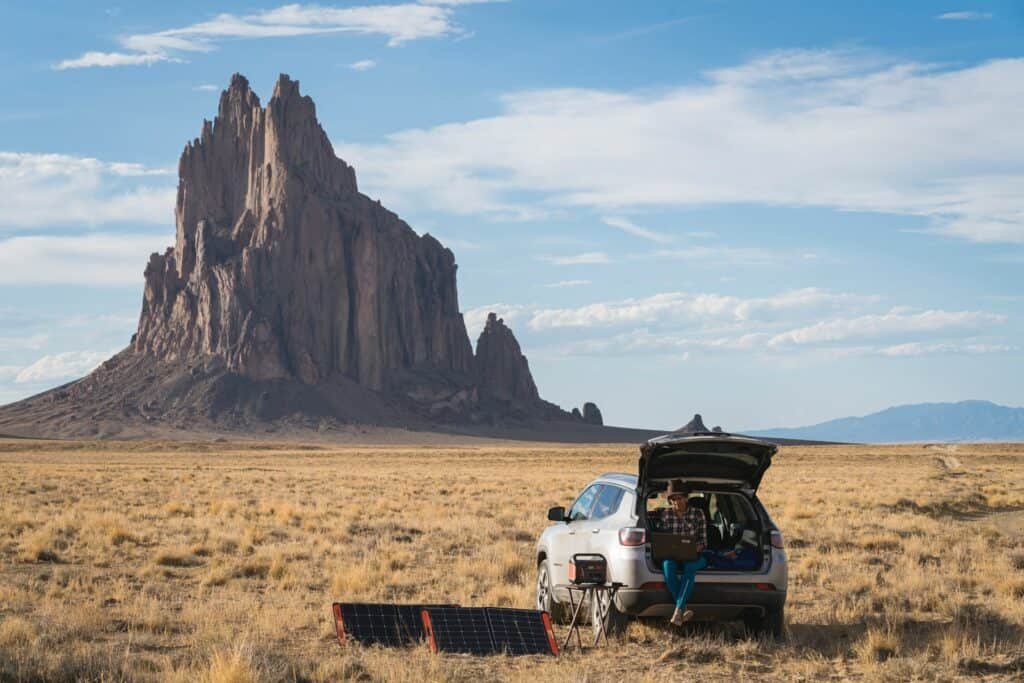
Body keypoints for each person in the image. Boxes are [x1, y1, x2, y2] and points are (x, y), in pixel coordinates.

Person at [650, 479, 707, 626]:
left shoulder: (698, 514)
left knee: (690, 567)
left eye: (679, 498)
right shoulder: (666, 514)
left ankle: (678, 611)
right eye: (673, 499)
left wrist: (695, 548)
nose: (676, 502)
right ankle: (682, 608)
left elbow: (704, 542)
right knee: (668, 565)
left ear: (686, 498)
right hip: (672, 555)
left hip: (695, 556)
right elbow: (661, 539)